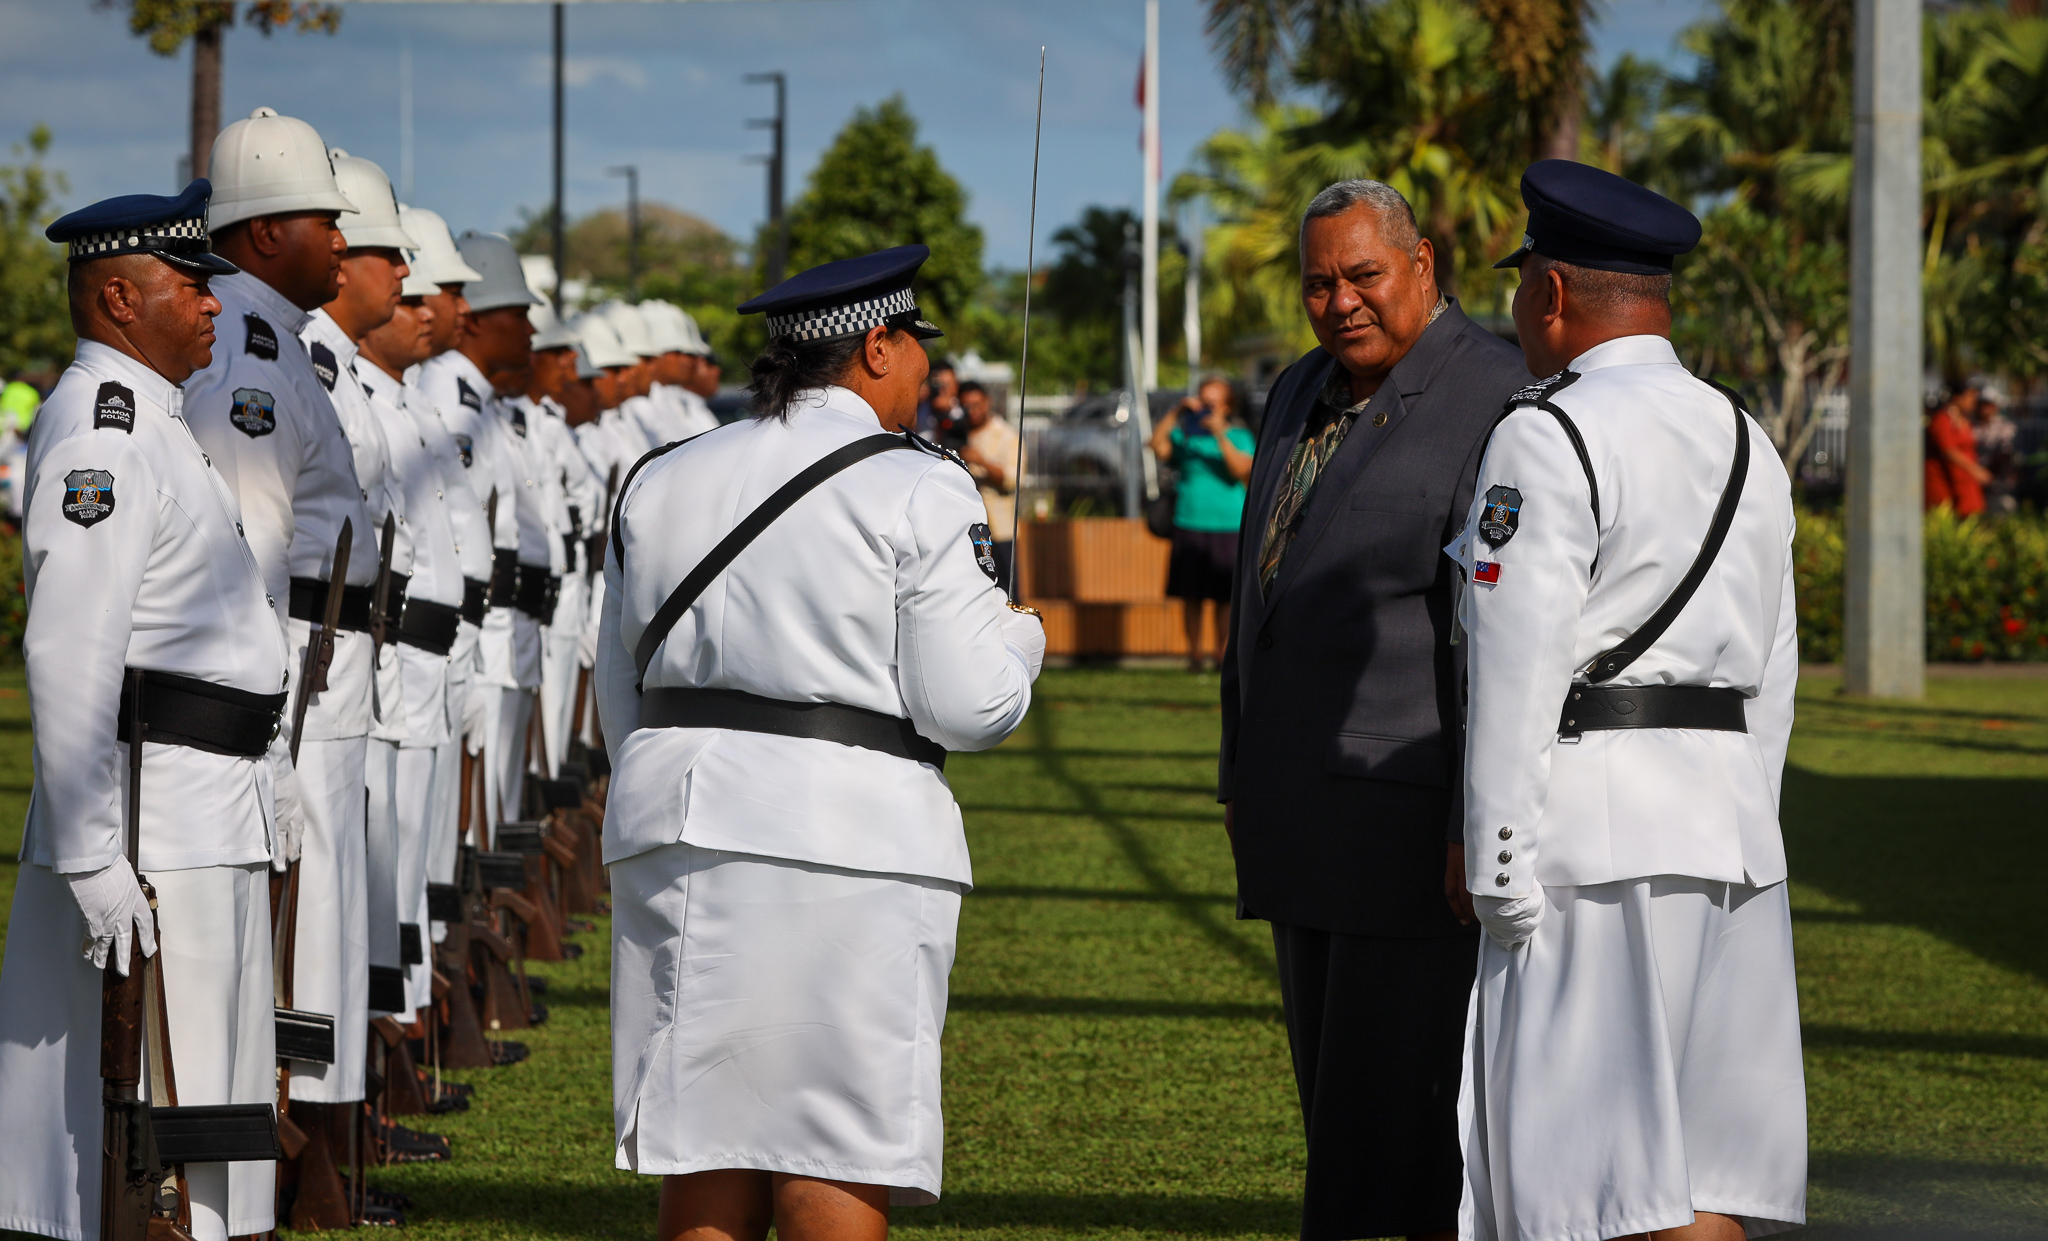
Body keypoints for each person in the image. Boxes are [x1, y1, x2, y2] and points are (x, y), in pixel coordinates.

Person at [596, 244, 1043, 1241]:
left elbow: (620, 693)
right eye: (916, 346)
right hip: (849, 844)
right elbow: (967, 706)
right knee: (835, 1152)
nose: (927, 370)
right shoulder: (919, 483)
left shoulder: (661, 474)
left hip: (675, 827)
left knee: (702, 1152)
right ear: (877, 346)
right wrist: (1022, 636)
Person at [1455, 159, 1805, 1241]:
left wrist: (1495, 867)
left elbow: (1514, 667)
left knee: (1575, 1188)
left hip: (1587, 849)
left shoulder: (1542, 432)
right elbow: (1774, 673)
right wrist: (1750, 813)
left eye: (1521, 286)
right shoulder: (1746, 436)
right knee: (1698, 1184)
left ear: (1550, 293)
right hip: (1729, 838)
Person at [1217, 179, 1528, 1241]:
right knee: (1338, 1115)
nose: (1338, 301)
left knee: (1394, 1143)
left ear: (1423, 265)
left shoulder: (1494, 390)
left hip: (1409, 835)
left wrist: (1465, 823)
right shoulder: (1298, 384)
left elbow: (1495, 632)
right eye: (1316, 282)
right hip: (1298, 820)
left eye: (1361, 275)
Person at [0, 179, 287, 1241]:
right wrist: (87, 854)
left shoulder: (156, 422)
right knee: (160, 1108)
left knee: (208, 1082)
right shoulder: (104, 435)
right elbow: (71, 646)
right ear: (121, 299)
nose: (215, 305)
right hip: (151, 809)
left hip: (202, 799)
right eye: (190, 286)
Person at [179, 108, 380, 1223]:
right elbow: (244, 561)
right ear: (262, 234)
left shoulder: (278, 345)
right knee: (278, 939)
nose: (341, 243)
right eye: (322, 221)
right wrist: (267, 739)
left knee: (308, 933)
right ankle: (274, 1165)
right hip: (284, 686)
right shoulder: (246, 359)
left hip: (318, 675)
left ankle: (300, 1161)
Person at [1149, 376, 1254, 672]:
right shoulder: (1187, 436)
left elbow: (1240, 471)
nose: (1206, 407)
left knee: (1224, 598)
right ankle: (1194, 656)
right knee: (1191, 595)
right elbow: (1157, 446)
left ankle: (1221, 656)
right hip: (1190, 522)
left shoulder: (1240, 436)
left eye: (1213, 402)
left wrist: (1220, 434)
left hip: (1228, 524)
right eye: (1202, 401)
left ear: (1227, 405)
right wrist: (1177, 411)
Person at [957, 380, 1020, 593]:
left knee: (1007, 594)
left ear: (988, 402)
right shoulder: (959, 433)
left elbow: (1013, 478)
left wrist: (981, 461)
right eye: (967, 406)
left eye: (977, 405)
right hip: (968, 532)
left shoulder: (1006, 435)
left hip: (1000, 532)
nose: (972, 411)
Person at [1924, 382, 1988, 516]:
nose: (1974, 401)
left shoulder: (1965, 420)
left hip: (1963, 481)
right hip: (1943, 479)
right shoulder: (1942, 420)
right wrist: (1974, 469)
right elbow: (1948, 450)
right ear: (1957, 398)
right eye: (1970, 397)